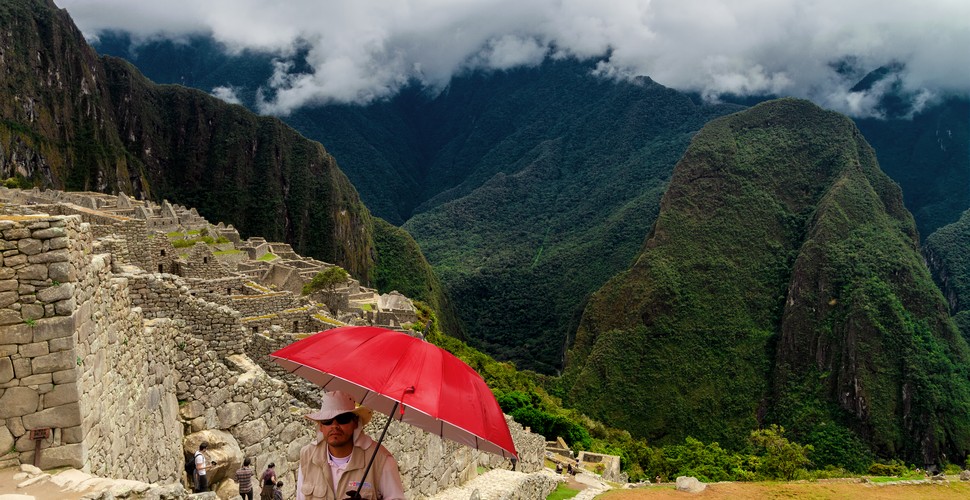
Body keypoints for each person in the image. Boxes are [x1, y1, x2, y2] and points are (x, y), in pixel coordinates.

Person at [297, 390, 404, 500]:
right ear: (320, 426)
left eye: (342, 419)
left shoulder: (380, 460)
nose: (334, 426)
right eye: (327, 421)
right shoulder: (307, 456)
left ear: (355, 422)